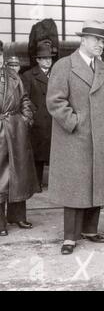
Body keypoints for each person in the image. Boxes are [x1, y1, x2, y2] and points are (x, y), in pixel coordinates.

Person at [46, 20, 104, 255]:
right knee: (75, 187)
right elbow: (55, 101)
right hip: (75, 138)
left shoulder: (103, 67)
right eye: (97, 40)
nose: (101, 45)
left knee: (97, 183)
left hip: (101, 136)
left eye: (103, 41)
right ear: (84, 40)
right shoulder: (64, 66)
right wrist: (74, 122)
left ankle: (89, 230)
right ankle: (70, 237)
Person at [0, 40, 39, 236]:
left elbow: (24, 99)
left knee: (19, 172)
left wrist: (25, 120)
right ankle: (0, 222)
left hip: (16, 129)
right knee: (0, 177)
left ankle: (18, 216)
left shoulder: (13, 76)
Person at [22, 43, 55, 191]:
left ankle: (55, 185)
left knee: (55, 154)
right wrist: (33, 113)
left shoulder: (57, 74)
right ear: (38, 60)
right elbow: (24, 98)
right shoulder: (28, 76)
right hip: (38, 122)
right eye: (44, 58)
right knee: (37, 156)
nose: (48, 61)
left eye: (50, 58)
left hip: (54, 119)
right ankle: (36, 184)